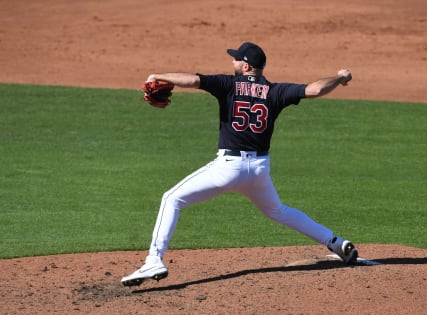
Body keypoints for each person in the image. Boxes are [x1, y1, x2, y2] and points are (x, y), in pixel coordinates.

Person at [121, 42, 357, 287]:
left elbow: (192, 81)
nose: (231, 62)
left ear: (245, 66)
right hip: (258, 171)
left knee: (172, 199)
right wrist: (340, 77)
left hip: (228, 168)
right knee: (278, 212)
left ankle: (154, 259)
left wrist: (158, 75)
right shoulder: (275, 91)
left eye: (235, 59)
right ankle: (337, 243)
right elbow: (316, 89)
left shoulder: (228, 84)